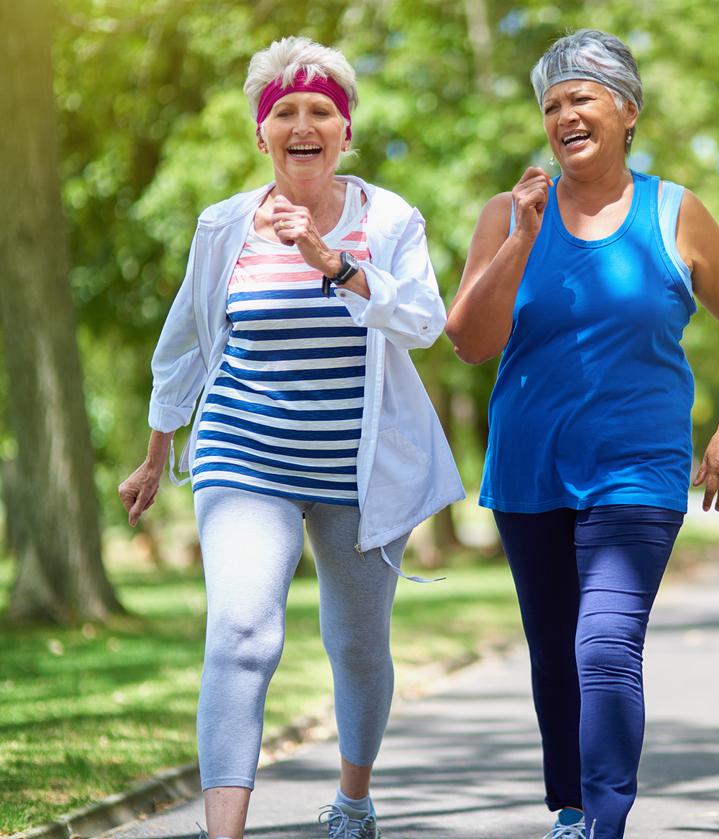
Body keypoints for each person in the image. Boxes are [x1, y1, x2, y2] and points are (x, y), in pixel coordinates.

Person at [118, 36, 463, 839]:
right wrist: (157, 451)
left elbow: (423, 322)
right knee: (241, 633)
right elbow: (185, 345)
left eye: (320, 112)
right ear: (260, 132)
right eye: (284, 113)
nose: (302, 124)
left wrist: (330, 262)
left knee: (357, 648)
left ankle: (353, 799)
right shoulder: (223, 226)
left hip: (358, 467)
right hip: (244, 455)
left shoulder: (390, 218)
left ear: (345, 132)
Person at [445, 29, 719, 839]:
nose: (564, 115)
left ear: (626, 110)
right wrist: (523, 238)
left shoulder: (675, 212)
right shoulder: (508, 213)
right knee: (556, 656)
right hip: (530, 471)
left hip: (637, 471)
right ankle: (570, 809)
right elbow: (469, 340)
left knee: (602, 646)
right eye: (552, 104)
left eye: (581, 98)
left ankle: (602, 823)